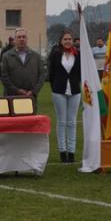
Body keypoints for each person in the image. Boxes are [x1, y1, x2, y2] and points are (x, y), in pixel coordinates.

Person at [48, 31, 81, 163]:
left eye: (70, 39)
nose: (68, 41)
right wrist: (55, 87)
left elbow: (80, 71)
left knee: (72, 122)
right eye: (65, 39)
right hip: (58, 91)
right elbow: (51, 74)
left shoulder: (78, 54)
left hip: (74, 91)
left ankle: (71, 151)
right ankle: (62, 151)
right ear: (61, 41)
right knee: (61, 122)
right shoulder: (56, 54)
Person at [0, 28, 45, 100]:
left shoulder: (36, 56)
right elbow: (4, 77)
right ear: (14, 40)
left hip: (30, 97)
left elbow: (42, 75)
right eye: (19, 37)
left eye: (24, 37)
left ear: (27, 39)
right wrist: (17, 90)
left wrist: (33, 91)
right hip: (12, 97)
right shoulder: (6, 56)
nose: (21, 39)